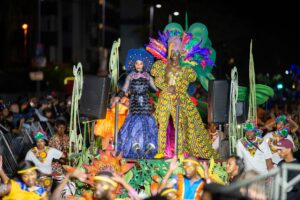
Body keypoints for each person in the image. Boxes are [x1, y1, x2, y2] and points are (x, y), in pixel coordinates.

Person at [150, 48, 218, 159]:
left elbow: (186, 83)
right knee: (162, 125)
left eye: (177, 52)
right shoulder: (162, 67)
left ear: (181, 54)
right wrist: (167, 88)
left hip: (178, 100)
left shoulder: (185, 70)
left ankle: (180, 152)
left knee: (179, 126)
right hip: (164, 99)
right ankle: (160, 151)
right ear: (170, 54)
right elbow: (158, 81)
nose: (175, 55)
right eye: (173, 52)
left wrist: (177, 91)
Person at [115, 48, 158, 159]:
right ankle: (134, 149)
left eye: (141, 63)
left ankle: (146, 150)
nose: (139, 65)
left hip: (145, 104)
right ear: (134, 65)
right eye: (137, 63)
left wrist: (166, 85)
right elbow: (124, 89)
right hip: (134, 103)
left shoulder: (148, 76)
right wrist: (118, 97)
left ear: (144, 64)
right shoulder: (130, 76)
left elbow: (155, 88)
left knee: (147, 125)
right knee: (133, 125)